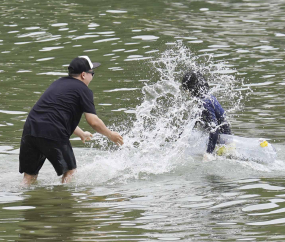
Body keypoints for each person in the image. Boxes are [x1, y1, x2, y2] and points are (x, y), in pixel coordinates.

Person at [19, 56, 124, 185]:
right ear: (83, 75)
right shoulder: (83, 90)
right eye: (93, 73)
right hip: (52, 132)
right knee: (70, 171)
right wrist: (110, 134)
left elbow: (54, 115)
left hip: (30, 129)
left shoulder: (58, 83)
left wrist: (81, 133)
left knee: (29, 176)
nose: (93, 77)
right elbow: (93, 121)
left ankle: (22, 200)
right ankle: (65, 201)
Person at [181, 70, 231, 161]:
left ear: (191, 88)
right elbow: (193, 122)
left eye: (186, 89)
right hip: (223, 141)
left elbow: (214, 129)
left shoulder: (205, 102)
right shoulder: (208, 98)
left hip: (222, 146)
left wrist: (209, 153)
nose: (186, 93)